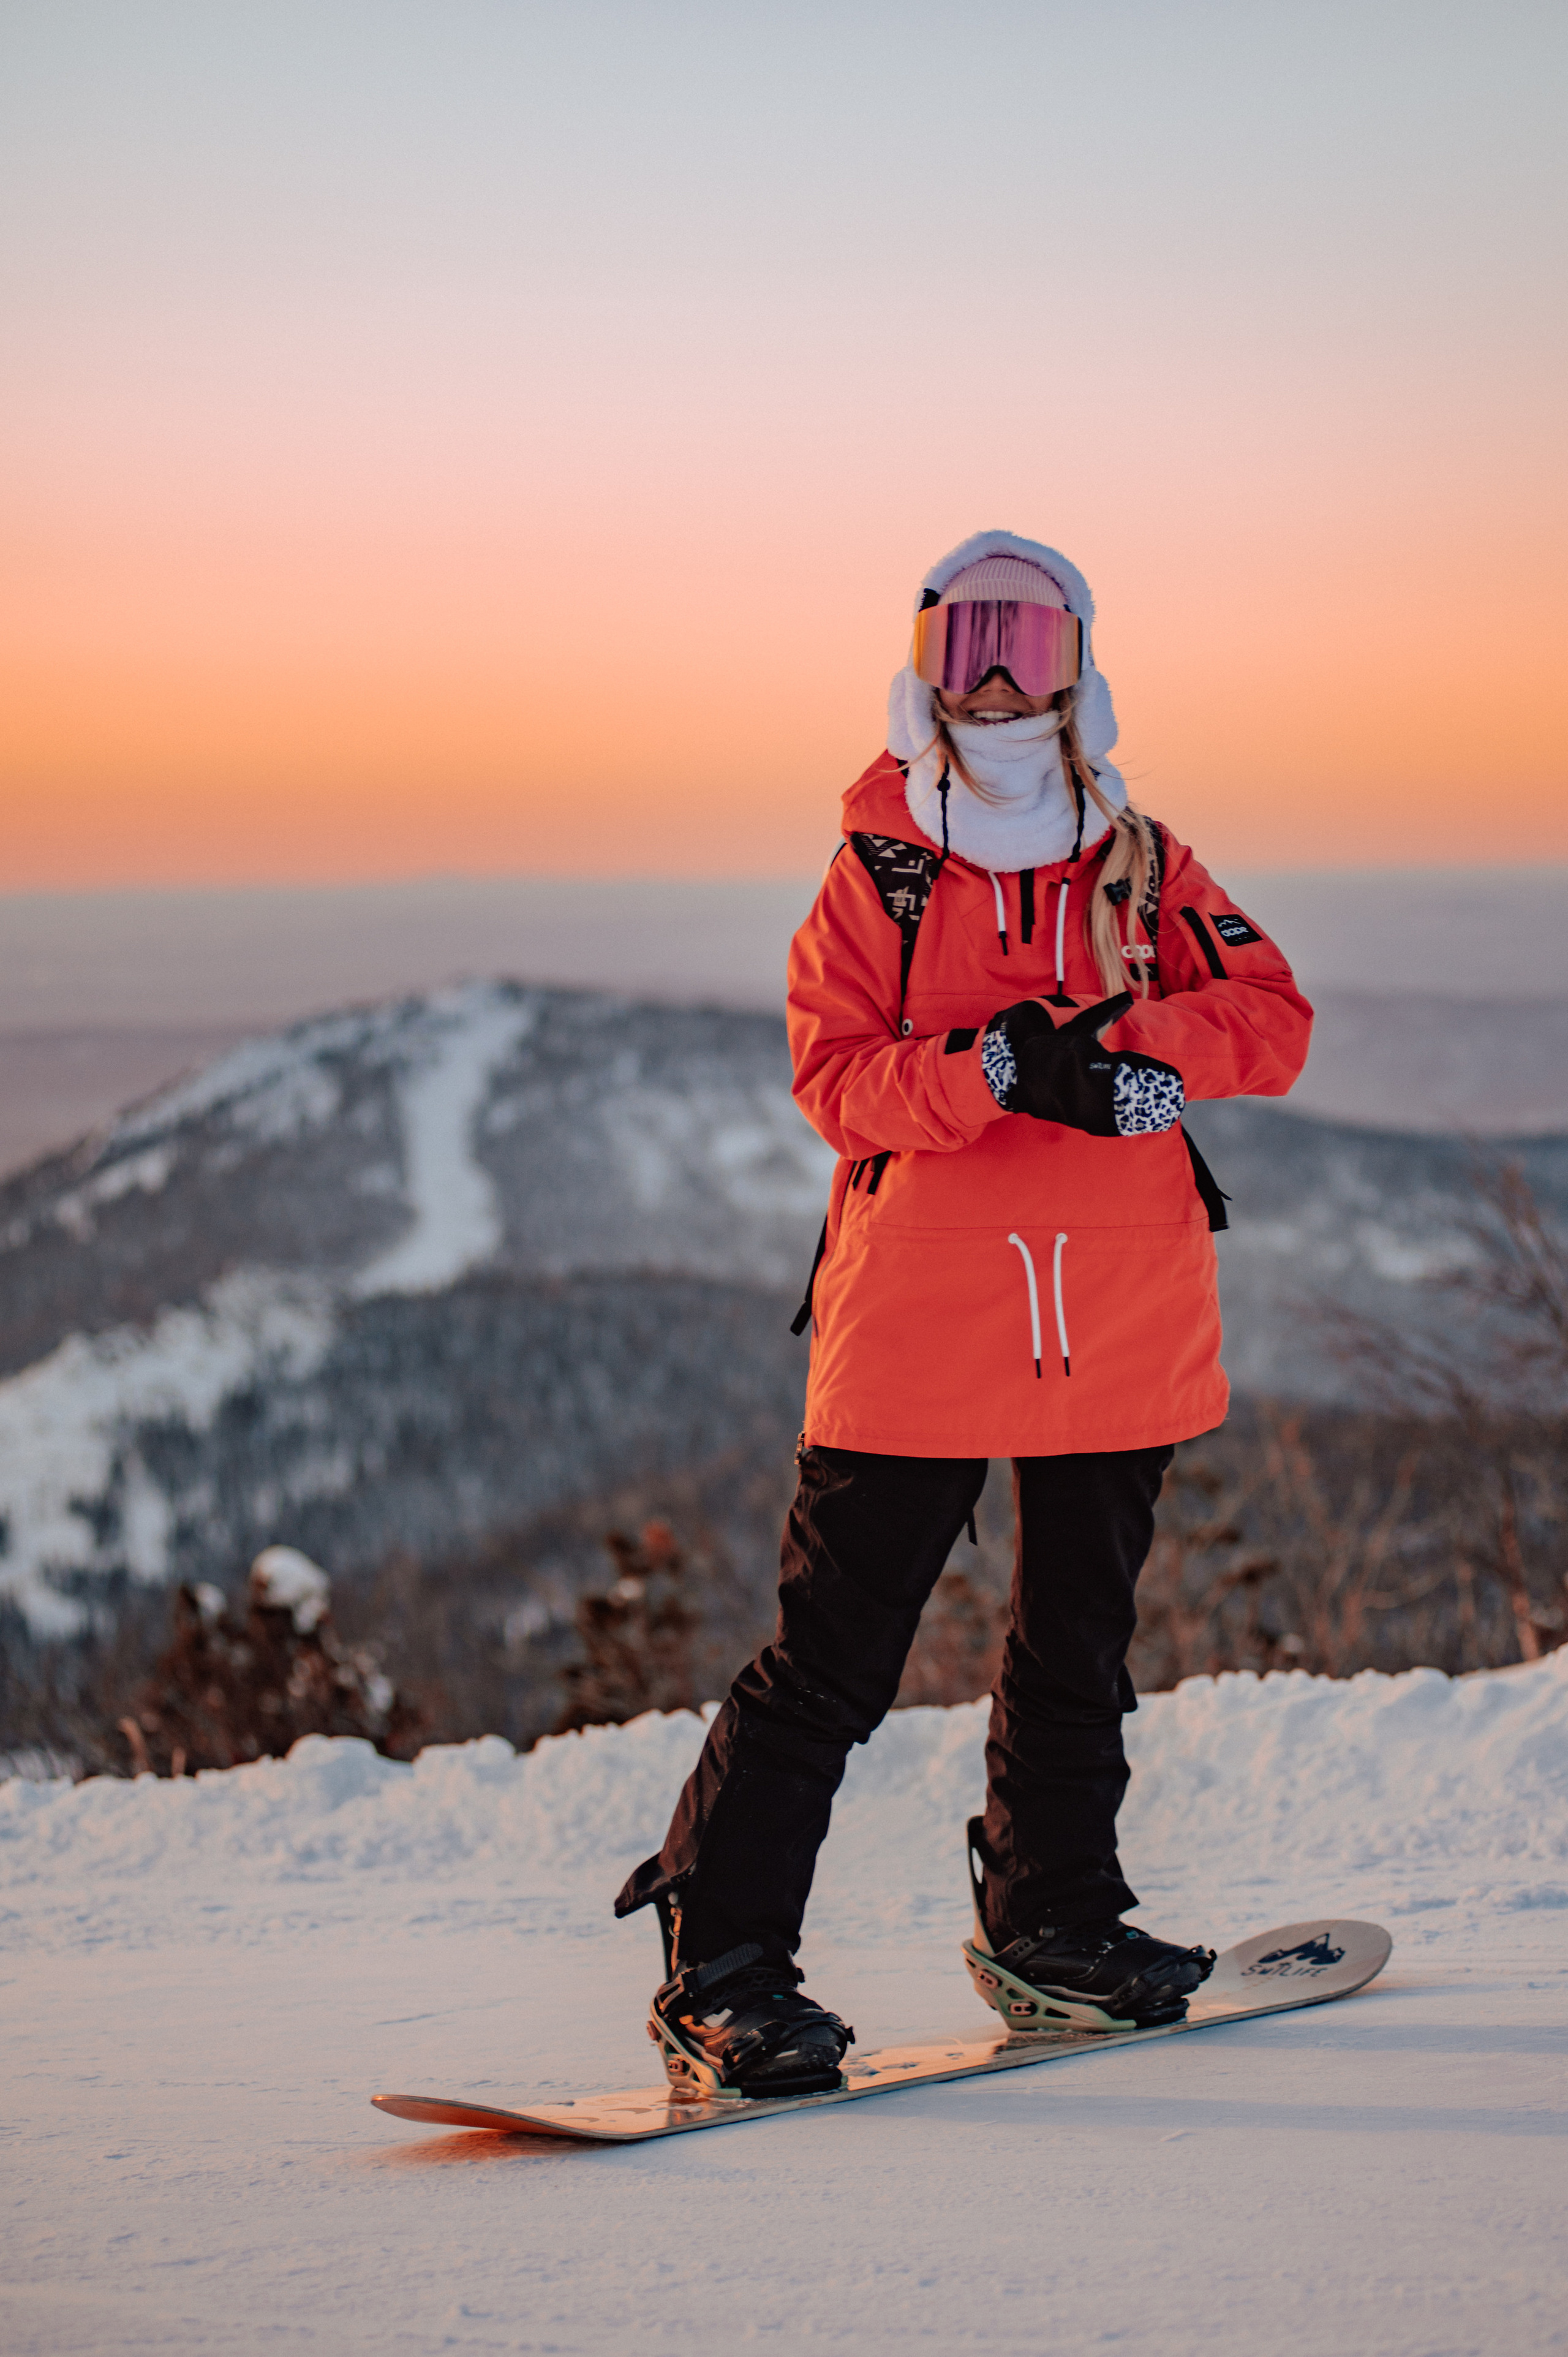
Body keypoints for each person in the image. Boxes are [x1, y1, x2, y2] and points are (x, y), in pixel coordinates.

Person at [616, 529, 1313, 2100]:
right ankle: (723, 1967)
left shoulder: (1140, 861)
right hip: (922, 1321)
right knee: (829, 1661)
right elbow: (830, 1076)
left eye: (1028, 641)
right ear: (920, 663)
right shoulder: (882, 870)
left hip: (1117, 1313)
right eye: (965, 641)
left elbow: (1273, 1016)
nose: (996, 679)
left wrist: (1147, 1052)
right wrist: (986, 1067)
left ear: (1081, 666)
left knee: (1076, 1648)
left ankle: (1053, 1926)